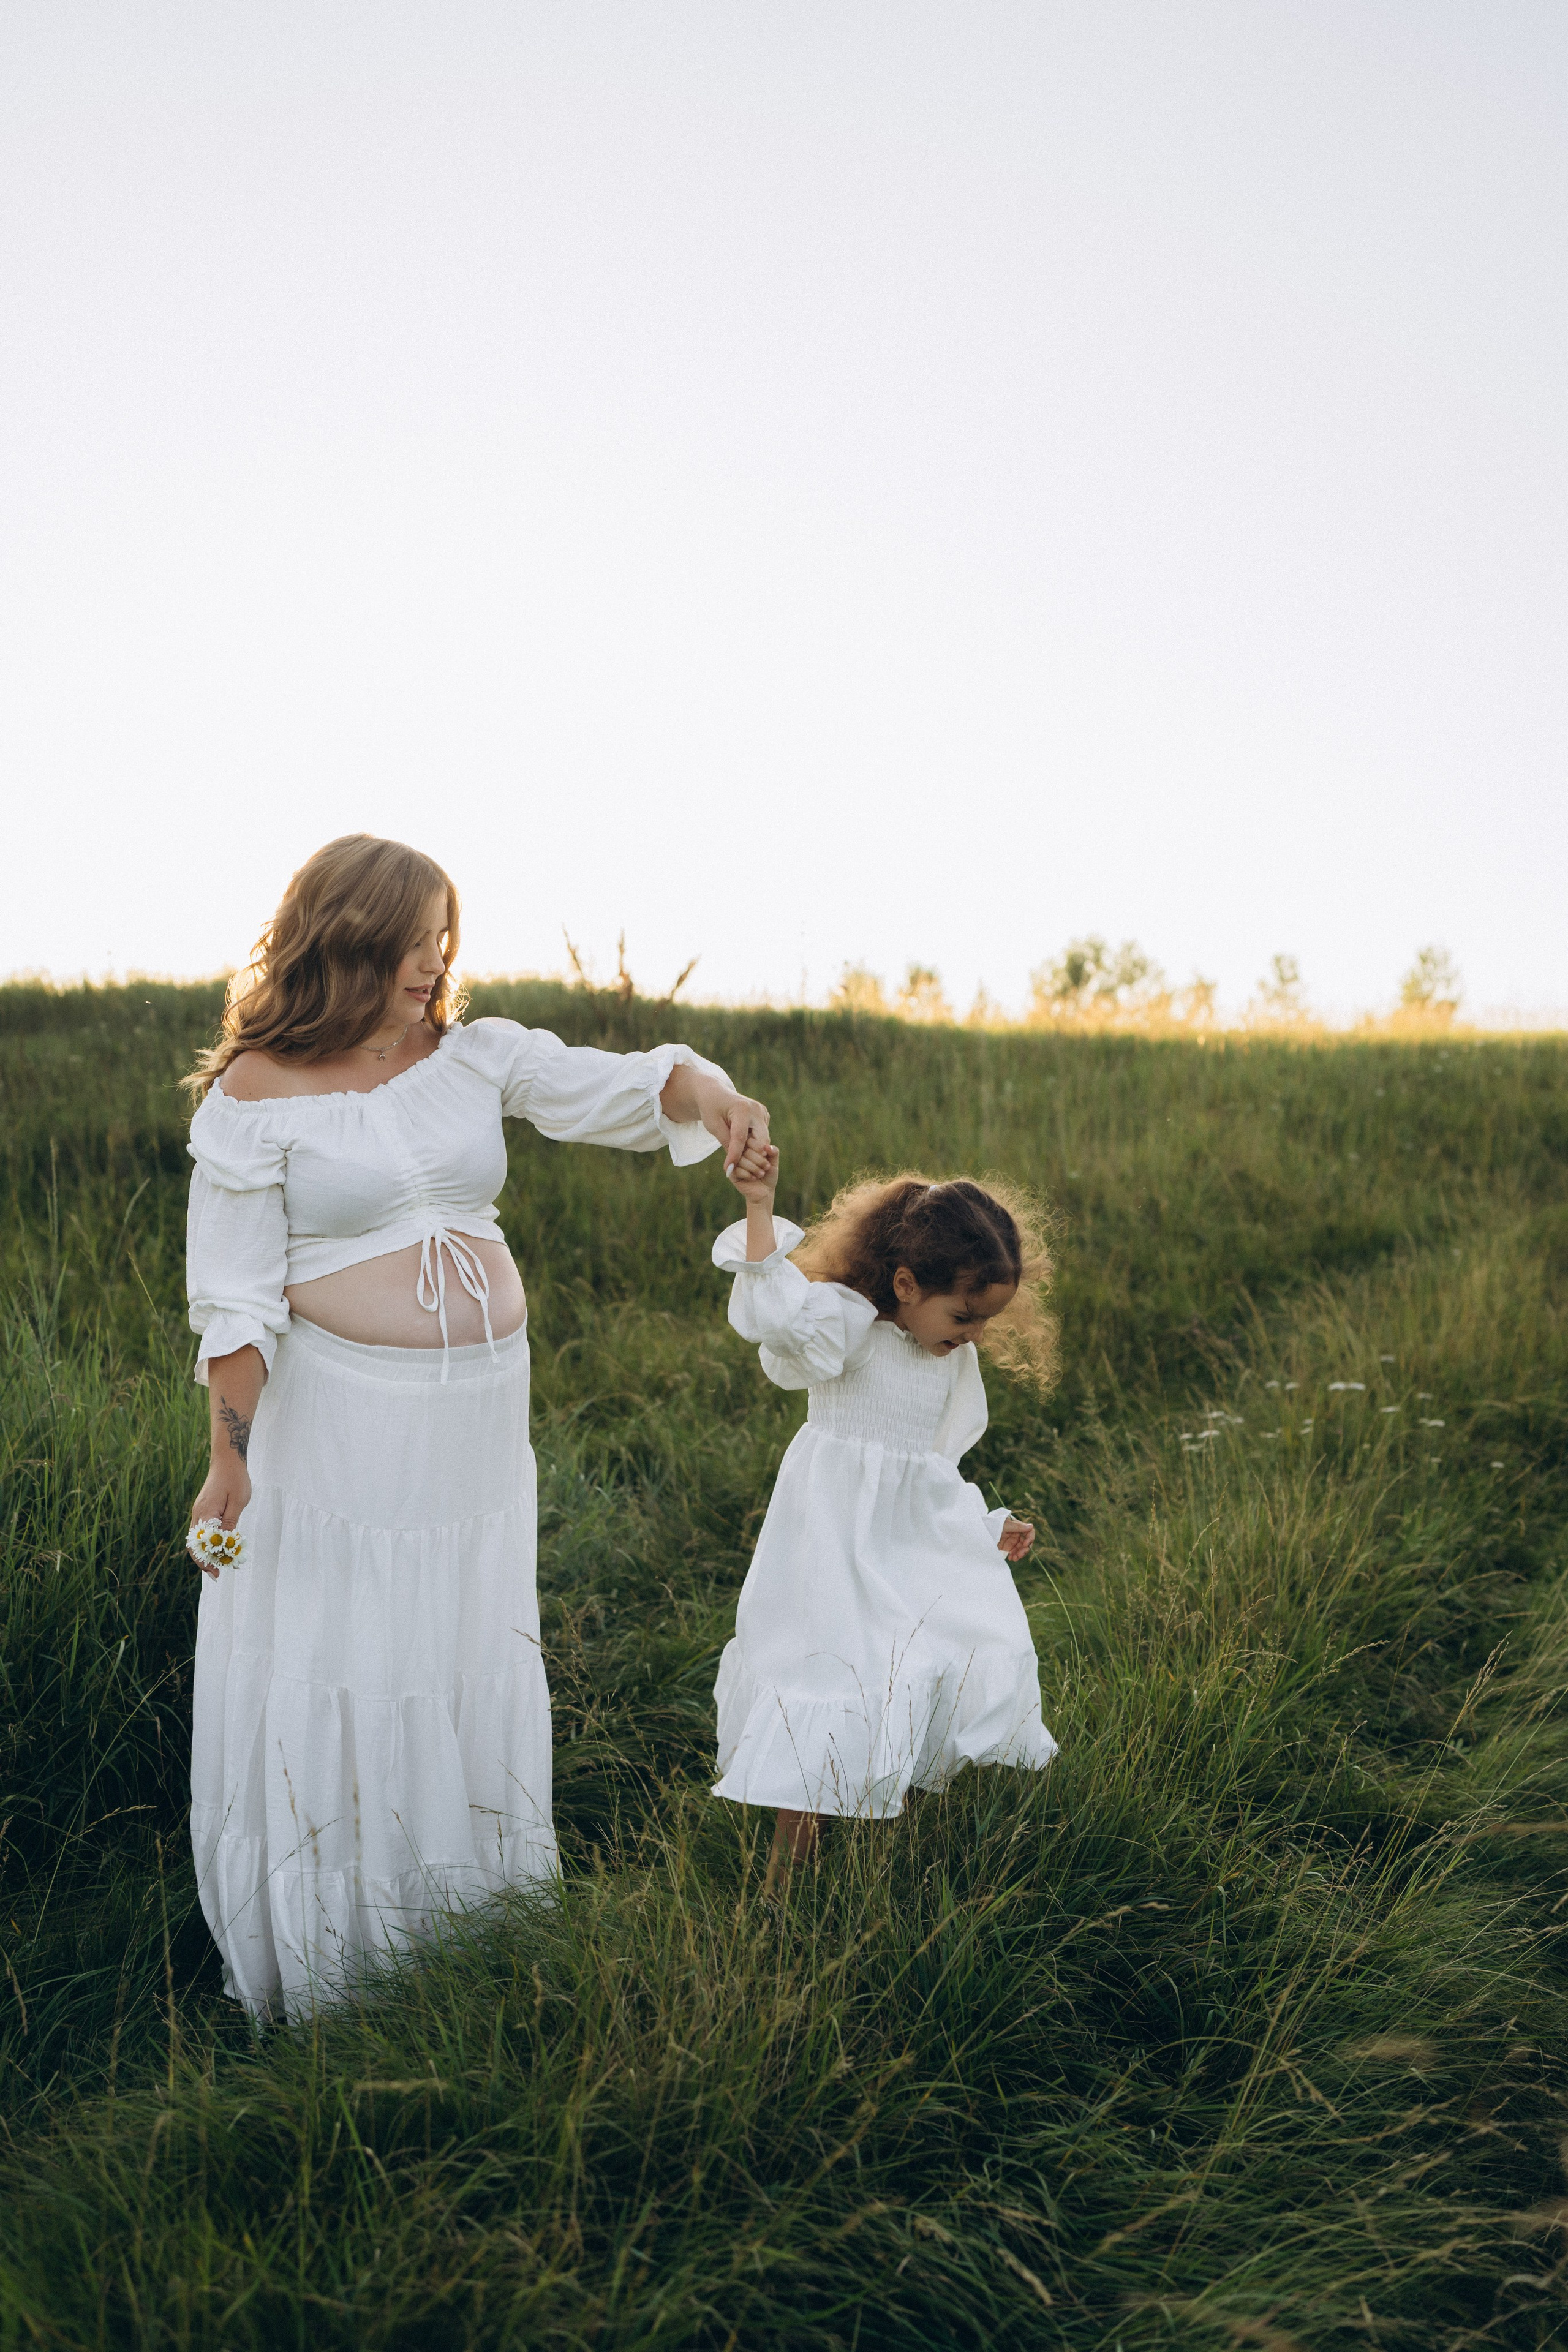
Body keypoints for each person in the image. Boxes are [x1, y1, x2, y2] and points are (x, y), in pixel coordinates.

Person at [183, 833, 770, 2019]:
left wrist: (717, 1096)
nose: (431, 963)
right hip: (349, 1423)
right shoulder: (253, 1094)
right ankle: (341, 1956)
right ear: (344, 938)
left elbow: (633, 1084)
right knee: (354, 1649)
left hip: (476, 1418)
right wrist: (228, 1461)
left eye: (442, 940)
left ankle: (469, 1918)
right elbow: (236, 1295)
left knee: (456, 1642)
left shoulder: (473, 1055)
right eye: (410, 942)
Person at [710, 1152, 1057, 1882]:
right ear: (905, 1283)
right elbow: (775, 1316)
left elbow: (931, 1472)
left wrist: (982, 1524)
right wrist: (759, 1208)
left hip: (900, 1555)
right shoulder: (846, 1326)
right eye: (964, 1316)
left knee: (906, 1676)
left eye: (985, 1323)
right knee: (827, 1684)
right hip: (831, 1552)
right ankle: (782, 1895)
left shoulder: (945, 1358)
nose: (974, 1337)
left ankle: (873, 1861)